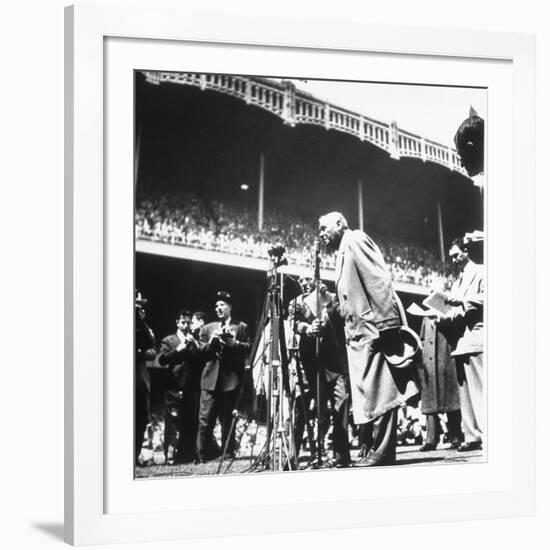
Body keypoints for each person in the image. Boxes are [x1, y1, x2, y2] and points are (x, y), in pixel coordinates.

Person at [318, 212, 419, 466]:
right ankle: (374, 448)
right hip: (358, 335)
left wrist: (387, 325)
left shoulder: (355, 239)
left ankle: (383, 451)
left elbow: (378, 279)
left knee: (383, 390)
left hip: (373, 330)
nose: (320, 234)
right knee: (371, 393)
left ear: (340, 224)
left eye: (323, 228)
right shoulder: (342, 251)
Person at [289, 276, 351, 467]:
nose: (304, 282)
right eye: (301, 280)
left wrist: (329, 303)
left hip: (334, 362)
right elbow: (293, 323)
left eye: (308, 278)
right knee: (303, 410)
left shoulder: (331, 297)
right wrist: (307, 328)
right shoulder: (296, 303)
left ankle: (341, 457)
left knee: (341, 406)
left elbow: (343, 318)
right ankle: (293, 456)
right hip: (309, 363)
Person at [196, 291, 251, 463]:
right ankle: (201, 455)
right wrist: (212, 340)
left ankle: (227, 454)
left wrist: (236, 344)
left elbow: (249, 346)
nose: (218, 308)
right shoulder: (207, 328)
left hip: (230, 380)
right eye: (216, 306)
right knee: (205, 420)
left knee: (228, 419)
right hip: (210, 380)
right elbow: (199, 351)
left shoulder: (241, 327)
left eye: (222, 305)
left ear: (230, 307)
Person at [443, 238, 484, 452]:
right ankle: (472, 436)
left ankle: (487, 434)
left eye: (456, 255)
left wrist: (463, 301)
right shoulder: (456, 281)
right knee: (465, 394)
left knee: (479, 391)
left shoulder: (481, 271)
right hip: (460, 340)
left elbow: (489, 296)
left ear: (466, 251)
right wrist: (442, 314)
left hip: (476, 336)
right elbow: (455, 309)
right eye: (451, 258)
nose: (454, 260)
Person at [157, 309, 201, 464]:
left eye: (189, 322)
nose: (186, 325)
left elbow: (199, 360)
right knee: (173, 423)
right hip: (173, 387)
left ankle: (187, 455)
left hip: (190, 388)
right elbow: (162, 360)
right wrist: (179, 349)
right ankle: (170, 456)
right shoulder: (168, 340)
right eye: (183, 322)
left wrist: (194, 345)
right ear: (177, 322)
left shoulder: (193, 340)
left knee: (189, 423)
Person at [417, 314, 463, 451]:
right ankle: (431, 439)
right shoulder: (425, 317)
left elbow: (456, 333)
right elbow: (422, 338)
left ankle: (456, 436)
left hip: (446, 362)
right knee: (430, 404)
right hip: (429, 365)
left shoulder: (448, 313)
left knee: (451, 400)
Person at [134, 291, 156, 464]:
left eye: (140, 305)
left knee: (140, 419)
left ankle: (133, 457)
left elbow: (150, 345)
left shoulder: (143, 326)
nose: (137, 307)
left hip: (139, 379)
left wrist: (139, 320)